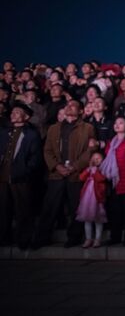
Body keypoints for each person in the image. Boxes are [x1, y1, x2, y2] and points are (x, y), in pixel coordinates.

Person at [33, 99, 97, 248]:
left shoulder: (88, 128)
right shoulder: (53, 128)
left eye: (73, 105)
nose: (68, 107)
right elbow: (47, 150)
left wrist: (75, 167)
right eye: (67, 105)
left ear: (81, 111)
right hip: (57, 174)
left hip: (76, 174)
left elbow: (90, 151)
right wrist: (56, 166)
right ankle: (42, 237)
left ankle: (74, 237)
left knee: (76, 207)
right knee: (49, 207)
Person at [0, 103, 43, 249]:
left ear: (26, 117)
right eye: (12, 112)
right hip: (3, 177)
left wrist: (24, 171)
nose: (13, 114)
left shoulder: (32, 134)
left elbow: (35, 158)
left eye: (17, 112)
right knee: (3, 209)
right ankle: (4, 238)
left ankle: (24, 240)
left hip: (21, 178)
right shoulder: (4, 132)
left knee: (23, 211)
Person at [100, 117, 125, 245]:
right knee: (115, 212)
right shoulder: (110, 143)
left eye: (121, 123)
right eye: (115, 123)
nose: (117, 125)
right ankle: (115, 237)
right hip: (114, 182)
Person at [76, 151, 108, 248]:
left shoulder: (102, 170)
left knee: (98, 219)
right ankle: (88, 239)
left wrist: (95, 171)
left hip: (97, 198)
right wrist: (88, 169)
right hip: (87, 199)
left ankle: (97, 239)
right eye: (94, 158)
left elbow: (101, 179)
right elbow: (81, 178)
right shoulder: (89, 169)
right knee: (87, 219)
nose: (96, 160)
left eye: (98, 159)